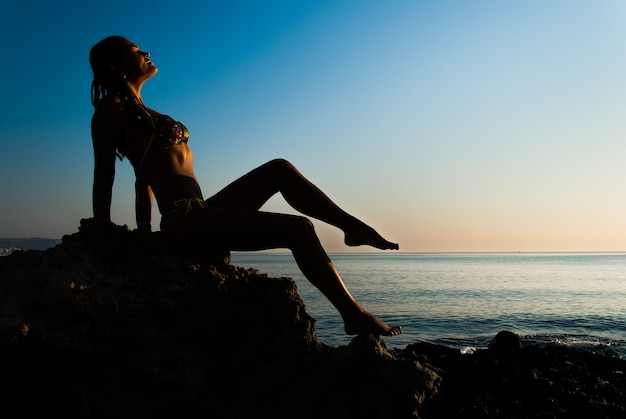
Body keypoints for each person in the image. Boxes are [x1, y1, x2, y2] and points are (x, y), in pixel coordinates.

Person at [90, 35, 402, 337]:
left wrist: (143, 227)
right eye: (135, 50)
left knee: (279, 168)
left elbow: (142, 176)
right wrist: (105, 232)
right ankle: (354, 316)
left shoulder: (141, 112)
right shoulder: (111, 108)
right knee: (299, 229)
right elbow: (105, 175)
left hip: (203, 211)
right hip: (183, 220)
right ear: (117, 67)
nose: (145, 52)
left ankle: (352, 227)